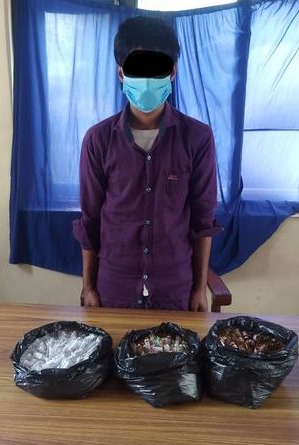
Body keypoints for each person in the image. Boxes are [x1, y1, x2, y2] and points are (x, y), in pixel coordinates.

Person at [72, 16, 221, 312]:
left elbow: (203, 220)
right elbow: (90, 219)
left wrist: (198, 289)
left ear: (173, 72)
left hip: (174, 289)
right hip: (114, 288)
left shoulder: (198, 138)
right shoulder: (98, 139)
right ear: (121, 73)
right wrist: (88, 287)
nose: (147, 78)